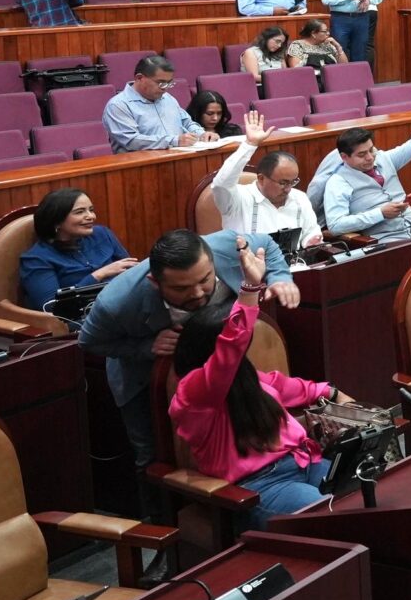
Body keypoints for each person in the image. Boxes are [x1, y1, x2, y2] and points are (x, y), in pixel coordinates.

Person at [81, 227, 296, 471]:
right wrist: (145, 347)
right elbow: (89, 341)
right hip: (147, 378)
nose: (198, 293)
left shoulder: (227, 245)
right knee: (153, 457)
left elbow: (266, 243)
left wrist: (280, 277)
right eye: (181, 289)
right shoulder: (116, 302)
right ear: (155, 282)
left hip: (224, 360)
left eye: (205, 280)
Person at [169, 258, 347, 527]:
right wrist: (250, 289)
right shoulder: (193, 393)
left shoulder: (250, 378)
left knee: (367, 496)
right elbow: (230, 349)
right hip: (260, 484)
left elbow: (312, 389)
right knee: (330, 517)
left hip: (305, 462)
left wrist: (345, 402)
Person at [313, 84, 411, 235]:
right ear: (344, 157)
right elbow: (336, 225)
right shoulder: (338, 182)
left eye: (371, 150)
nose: (369, 158)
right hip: (384, 239)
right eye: (361, 155)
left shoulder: (384, 158)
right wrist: (380, 213)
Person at [204, 116, 323, 254]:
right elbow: (221, 184)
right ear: (261, 179)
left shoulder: (299, 198)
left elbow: (311, 231)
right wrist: (250, 144)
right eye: (283, 183)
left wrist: (311, 240)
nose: (289, 189)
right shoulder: (237, 199)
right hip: (246, 268)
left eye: (293, 182)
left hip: (294, 266)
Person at [19, 188, 137, 309]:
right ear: (56, 221)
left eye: (91, 210)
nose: (91, 216)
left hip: (123, 304)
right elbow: (51, 307)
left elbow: (133, 272)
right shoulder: (37, 259)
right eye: (80, 212)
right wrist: (97, 275)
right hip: (82, 319)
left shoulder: (102, 234)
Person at [105, 55, 207, 152]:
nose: (165, 88)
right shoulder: (118, 105)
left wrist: (201, 134)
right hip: (141, 166)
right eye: (161, 83)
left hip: (176, 159)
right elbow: (131, 141)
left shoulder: (168, 98)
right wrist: (175, 141)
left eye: (169, 83)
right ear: (139, 78)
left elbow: (186, 122)